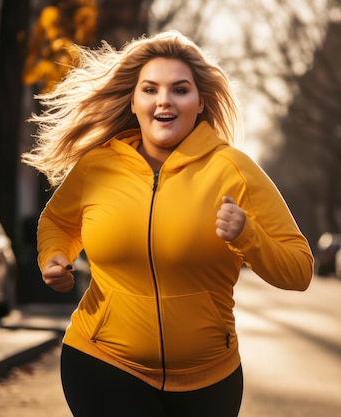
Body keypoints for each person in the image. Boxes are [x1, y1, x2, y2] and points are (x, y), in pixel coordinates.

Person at [22, 30, 313, 417]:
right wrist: (54, 257)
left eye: (180, 89)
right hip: (101, 361)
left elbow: (299, 270)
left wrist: (248, 235)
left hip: (210, 379)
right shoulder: (97, 167)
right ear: (134, 100)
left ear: (200, 102)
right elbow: (57, 222)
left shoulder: (234, 171)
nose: (164, 100)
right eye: (150, 89)